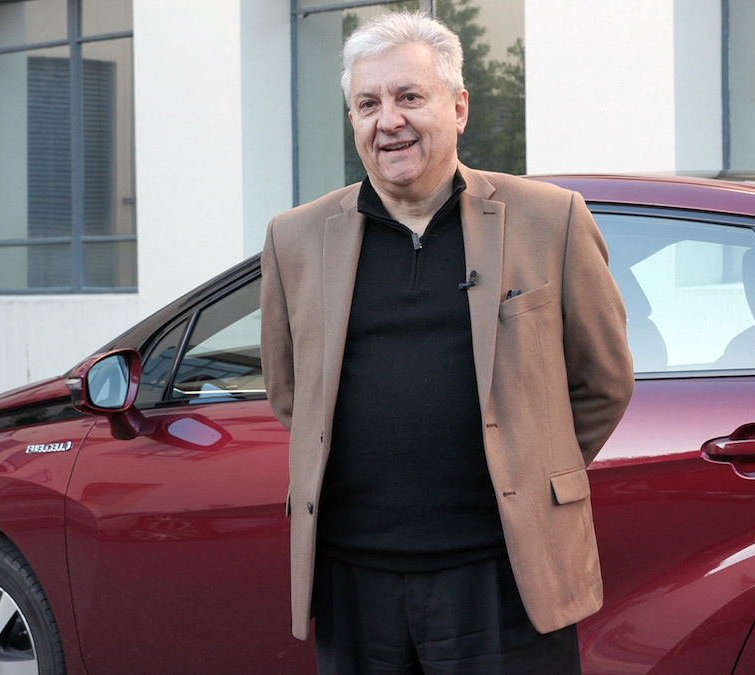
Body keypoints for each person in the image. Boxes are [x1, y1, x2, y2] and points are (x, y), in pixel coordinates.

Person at [260, 11, 633, 674]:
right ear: (353, 121)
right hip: (354, 580)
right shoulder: (295, 240)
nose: (389, 121)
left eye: (410, 97)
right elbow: (292, 392)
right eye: (367, 104)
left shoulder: (552, 219)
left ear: (457, 108)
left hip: (505, 575)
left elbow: (603, 380)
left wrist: (529, 465)